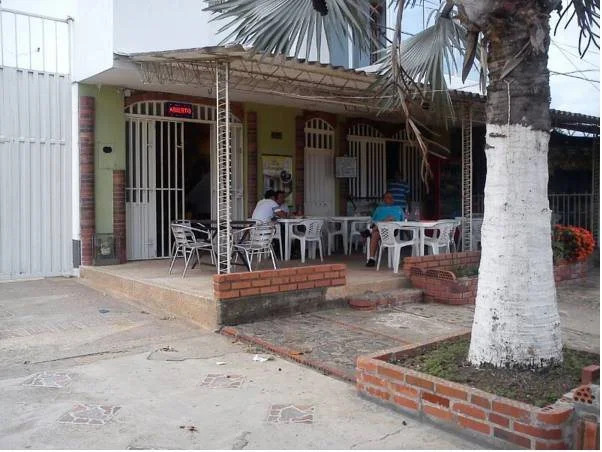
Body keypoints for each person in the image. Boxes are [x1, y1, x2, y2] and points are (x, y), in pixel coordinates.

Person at [365, 191, 404, 267]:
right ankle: (371, 259)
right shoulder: (379, 209)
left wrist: (391, 220)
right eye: (388, 197)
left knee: (390, 218)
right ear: (384, 199)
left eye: (391, 197)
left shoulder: (398, 208)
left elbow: (403, 220)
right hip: (381, 230)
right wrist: (384, 221)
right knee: (375, 234)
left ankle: (370, 231)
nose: (390, 199)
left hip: (393, 230)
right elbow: (373, 221)